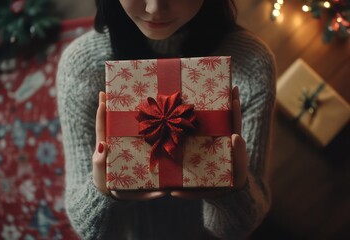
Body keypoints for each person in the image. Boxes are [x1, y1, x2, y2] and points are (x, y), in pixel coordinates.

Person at [56, 0, 276, 239]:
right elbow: (96, 233)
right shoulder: (82, 67)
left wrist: (232, 192)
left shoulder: (251, 63)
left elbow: (235, 229)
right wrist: (101, 192)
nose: (154, 9)